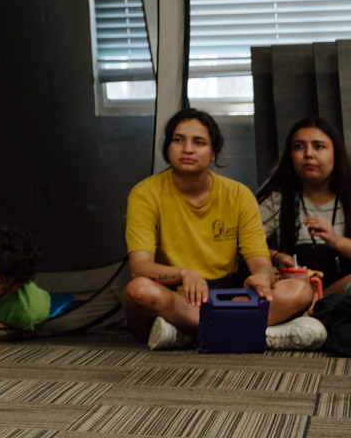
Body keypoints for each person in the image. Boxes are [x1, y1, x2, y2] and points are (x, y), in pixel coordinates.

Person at [121, 107, 325, 350]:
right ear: (167, 148)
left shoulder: (238, 194)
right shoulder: (145, 193)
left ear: (214, 153)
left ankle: (185, 333)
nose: (188, 149)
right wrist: (184, 273)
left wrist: (262, 276)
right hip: (174, 297)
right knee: (138, 291)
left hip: (225, 296)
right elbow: (140, 267)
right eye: (178, 140)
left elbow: (260, 261)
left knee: (300, 290)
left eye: (199, 142)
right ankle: (253, 332)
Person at [259, 116, 351, 295]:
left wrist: (336, 241)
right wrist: (276, 256)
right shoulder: (277, 200)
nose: (308, 154)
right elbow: (245, 247)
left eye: (318, 146)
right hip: (296, 297)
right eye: (298, 146)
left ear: (335, 153)